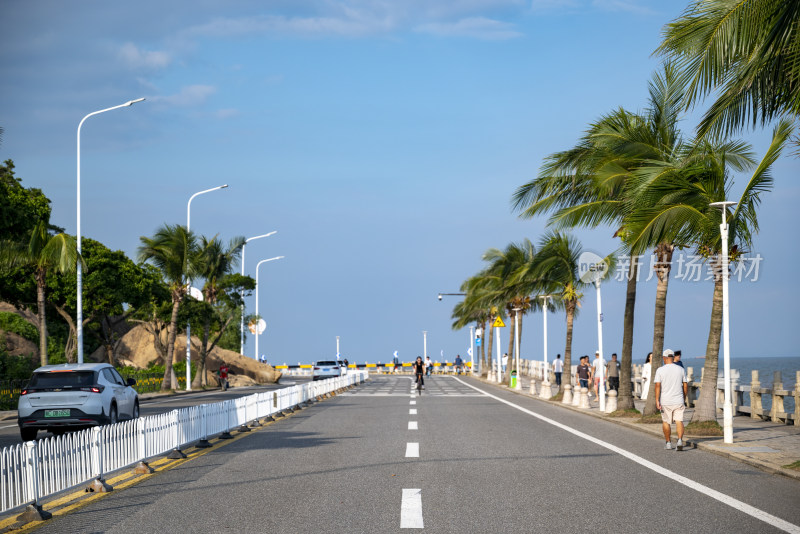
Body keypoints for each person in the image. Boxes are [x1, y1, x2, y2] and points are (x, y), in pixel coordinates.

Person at [654, 349, 688, 450]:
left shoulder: (660, 370)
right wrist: (684, 397)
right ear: (673, 358)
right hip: (679, 400)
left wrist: (657, 400)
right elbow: (685, 385)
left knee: (666, 421)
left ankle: (668, 443)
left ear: (664, 358)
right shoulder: (681, 369)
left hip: (666, 401)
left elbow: (657, 386)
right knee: (679, 420)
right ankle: (680, 441)